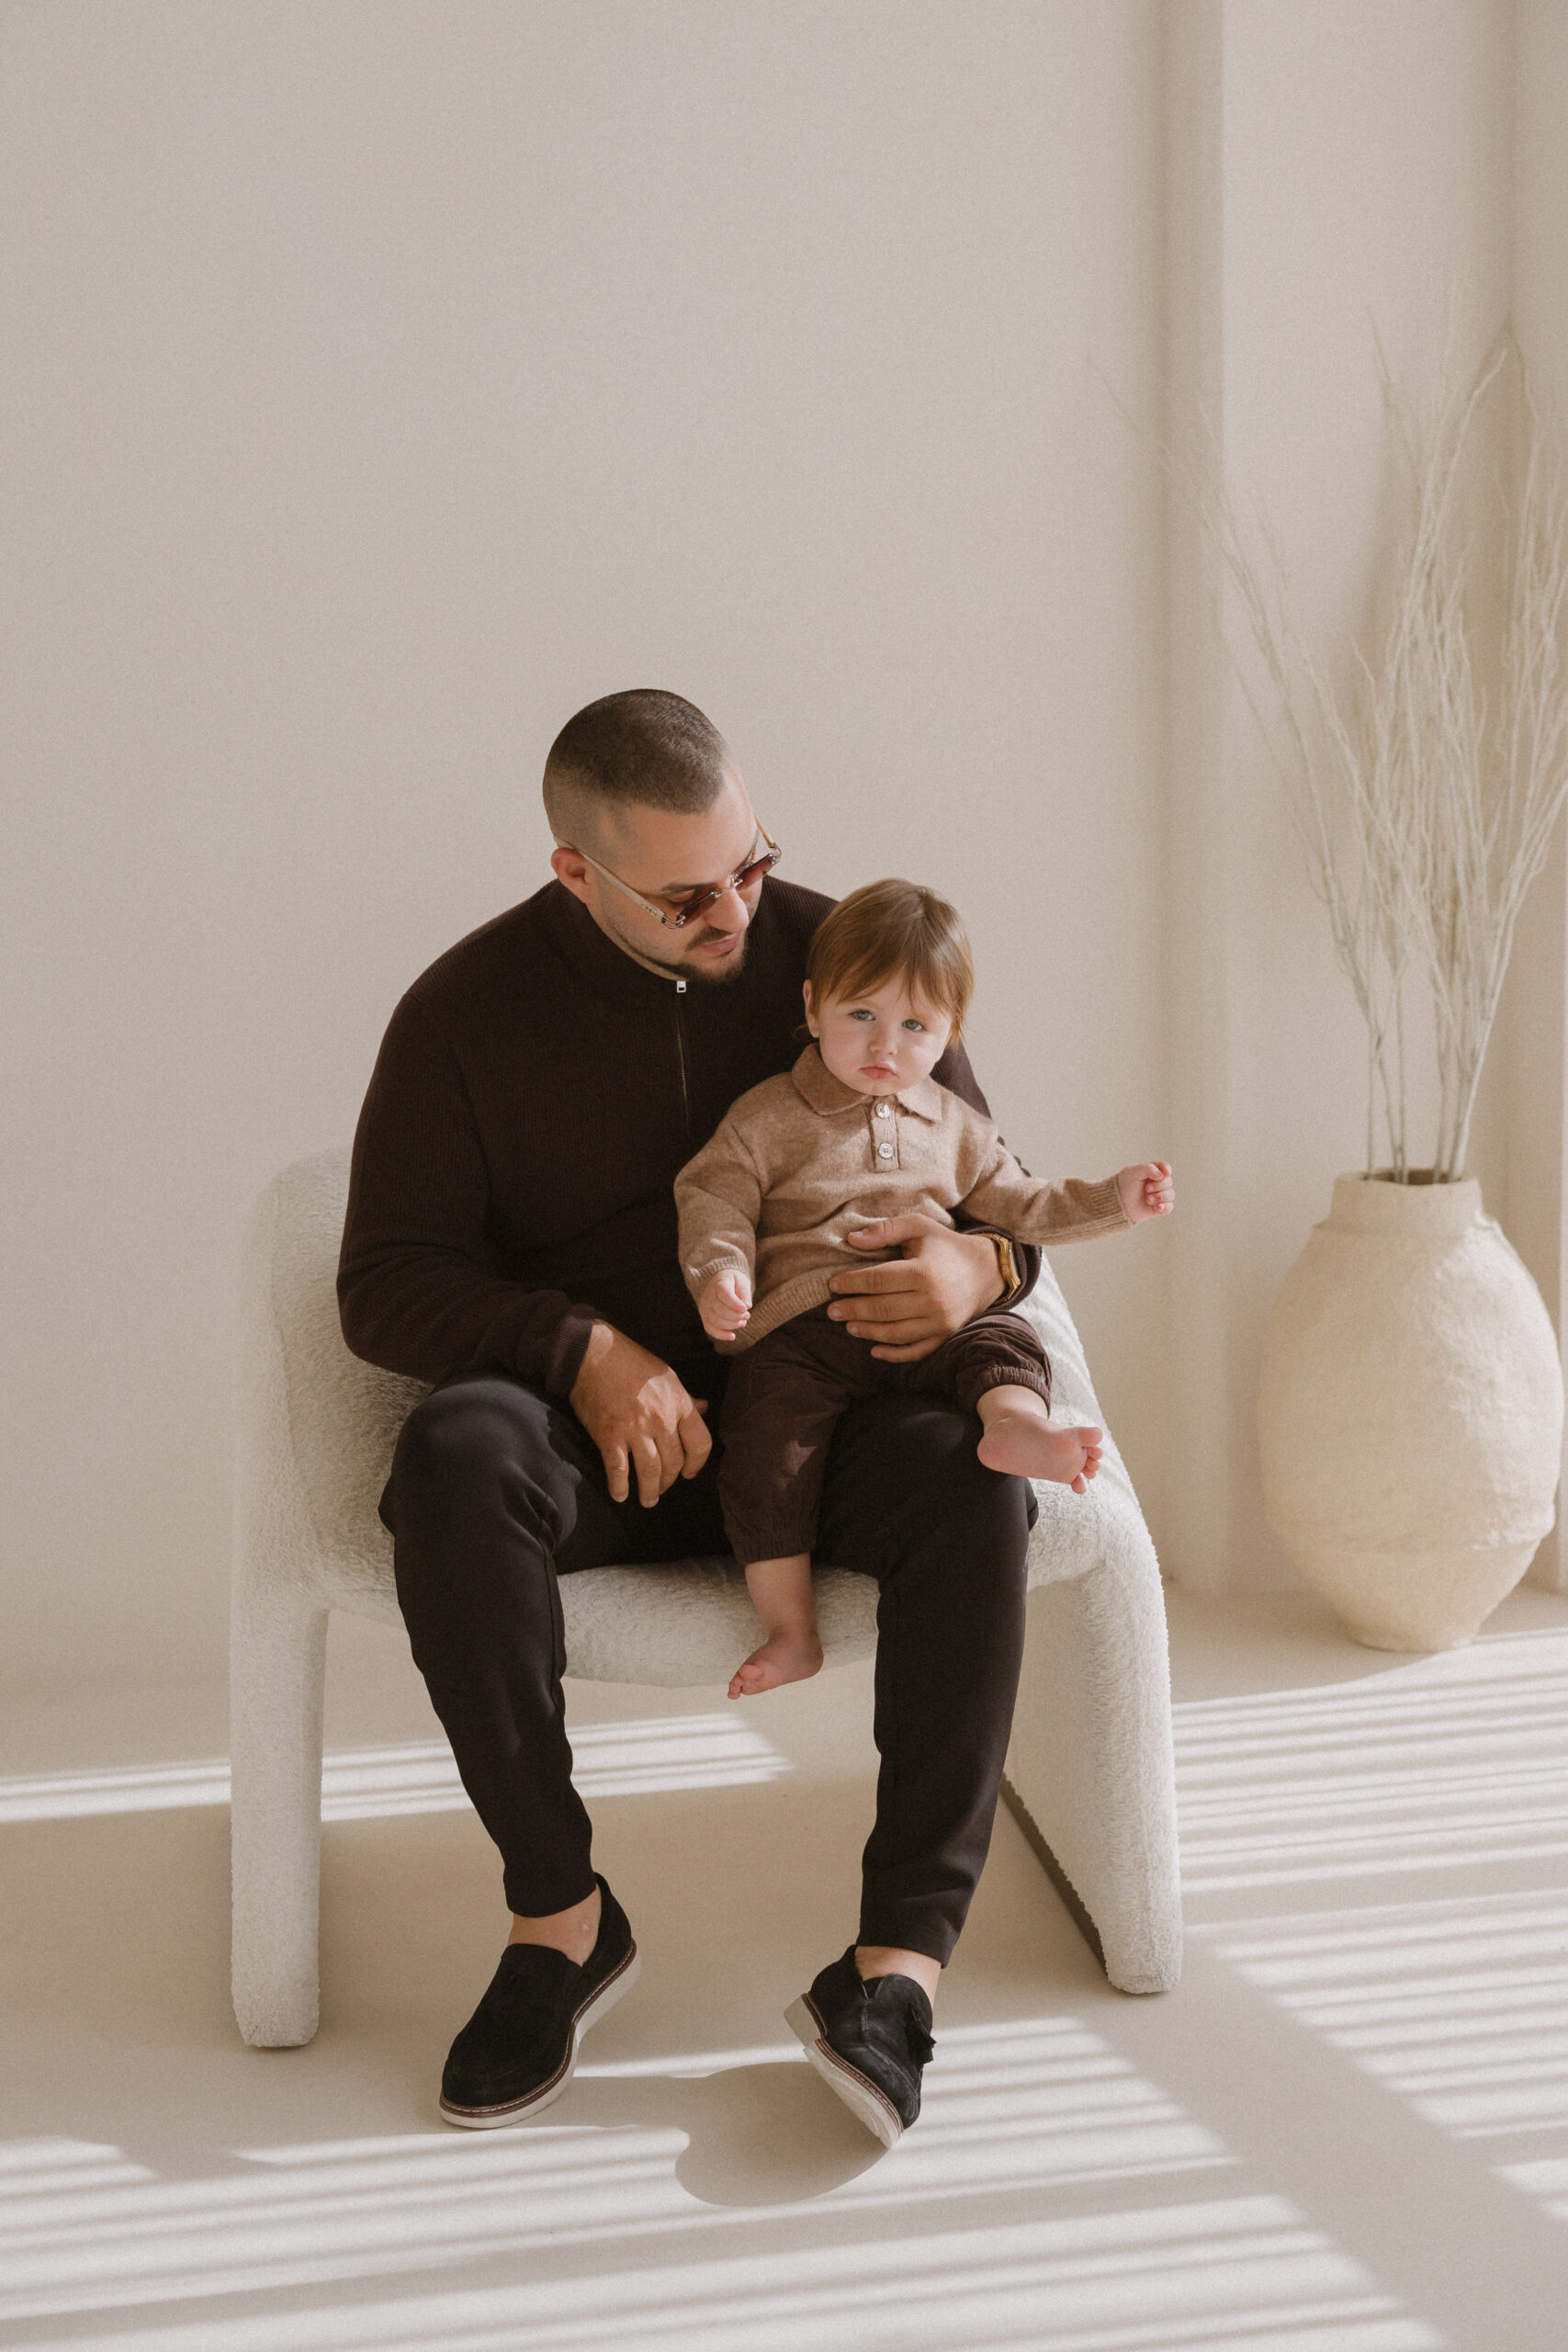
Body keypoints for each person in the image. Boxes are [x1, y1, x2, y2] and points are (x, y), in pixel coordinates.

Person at [338, 690, 1089, 2148]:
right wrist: (576, 1349)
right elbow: (383, 1281)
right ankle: (560, 1920)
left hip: (827, 1417)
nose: (736, 912)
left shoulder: (844, 956)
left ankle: (896, 1970)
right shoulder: (462, 1016)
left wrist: (976, 1268)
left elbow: (996, 1190)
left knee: (967, 1473)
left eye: (749, 864)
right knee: (453, 1455)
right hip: (607, 1448)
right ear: (575, 871)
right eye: (686, 895)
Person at [674, 876, 1173, 1702]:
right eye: (861, 1014)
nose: (885, 1044)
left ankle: (1013, 1428)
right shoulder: (766, 1117)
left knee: (1004, 1340)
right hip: (808, 1328)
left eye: (914, 1026)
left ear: (948, 1034)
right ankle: (791, 1630)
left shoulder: (958, 1126)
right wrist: (721, 1272)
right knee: (764, 1443)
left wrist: (1113, 1199)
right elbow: (714, 1197)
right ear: (812, 1007)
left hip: (933, 1328)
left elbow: (1025, 1205)